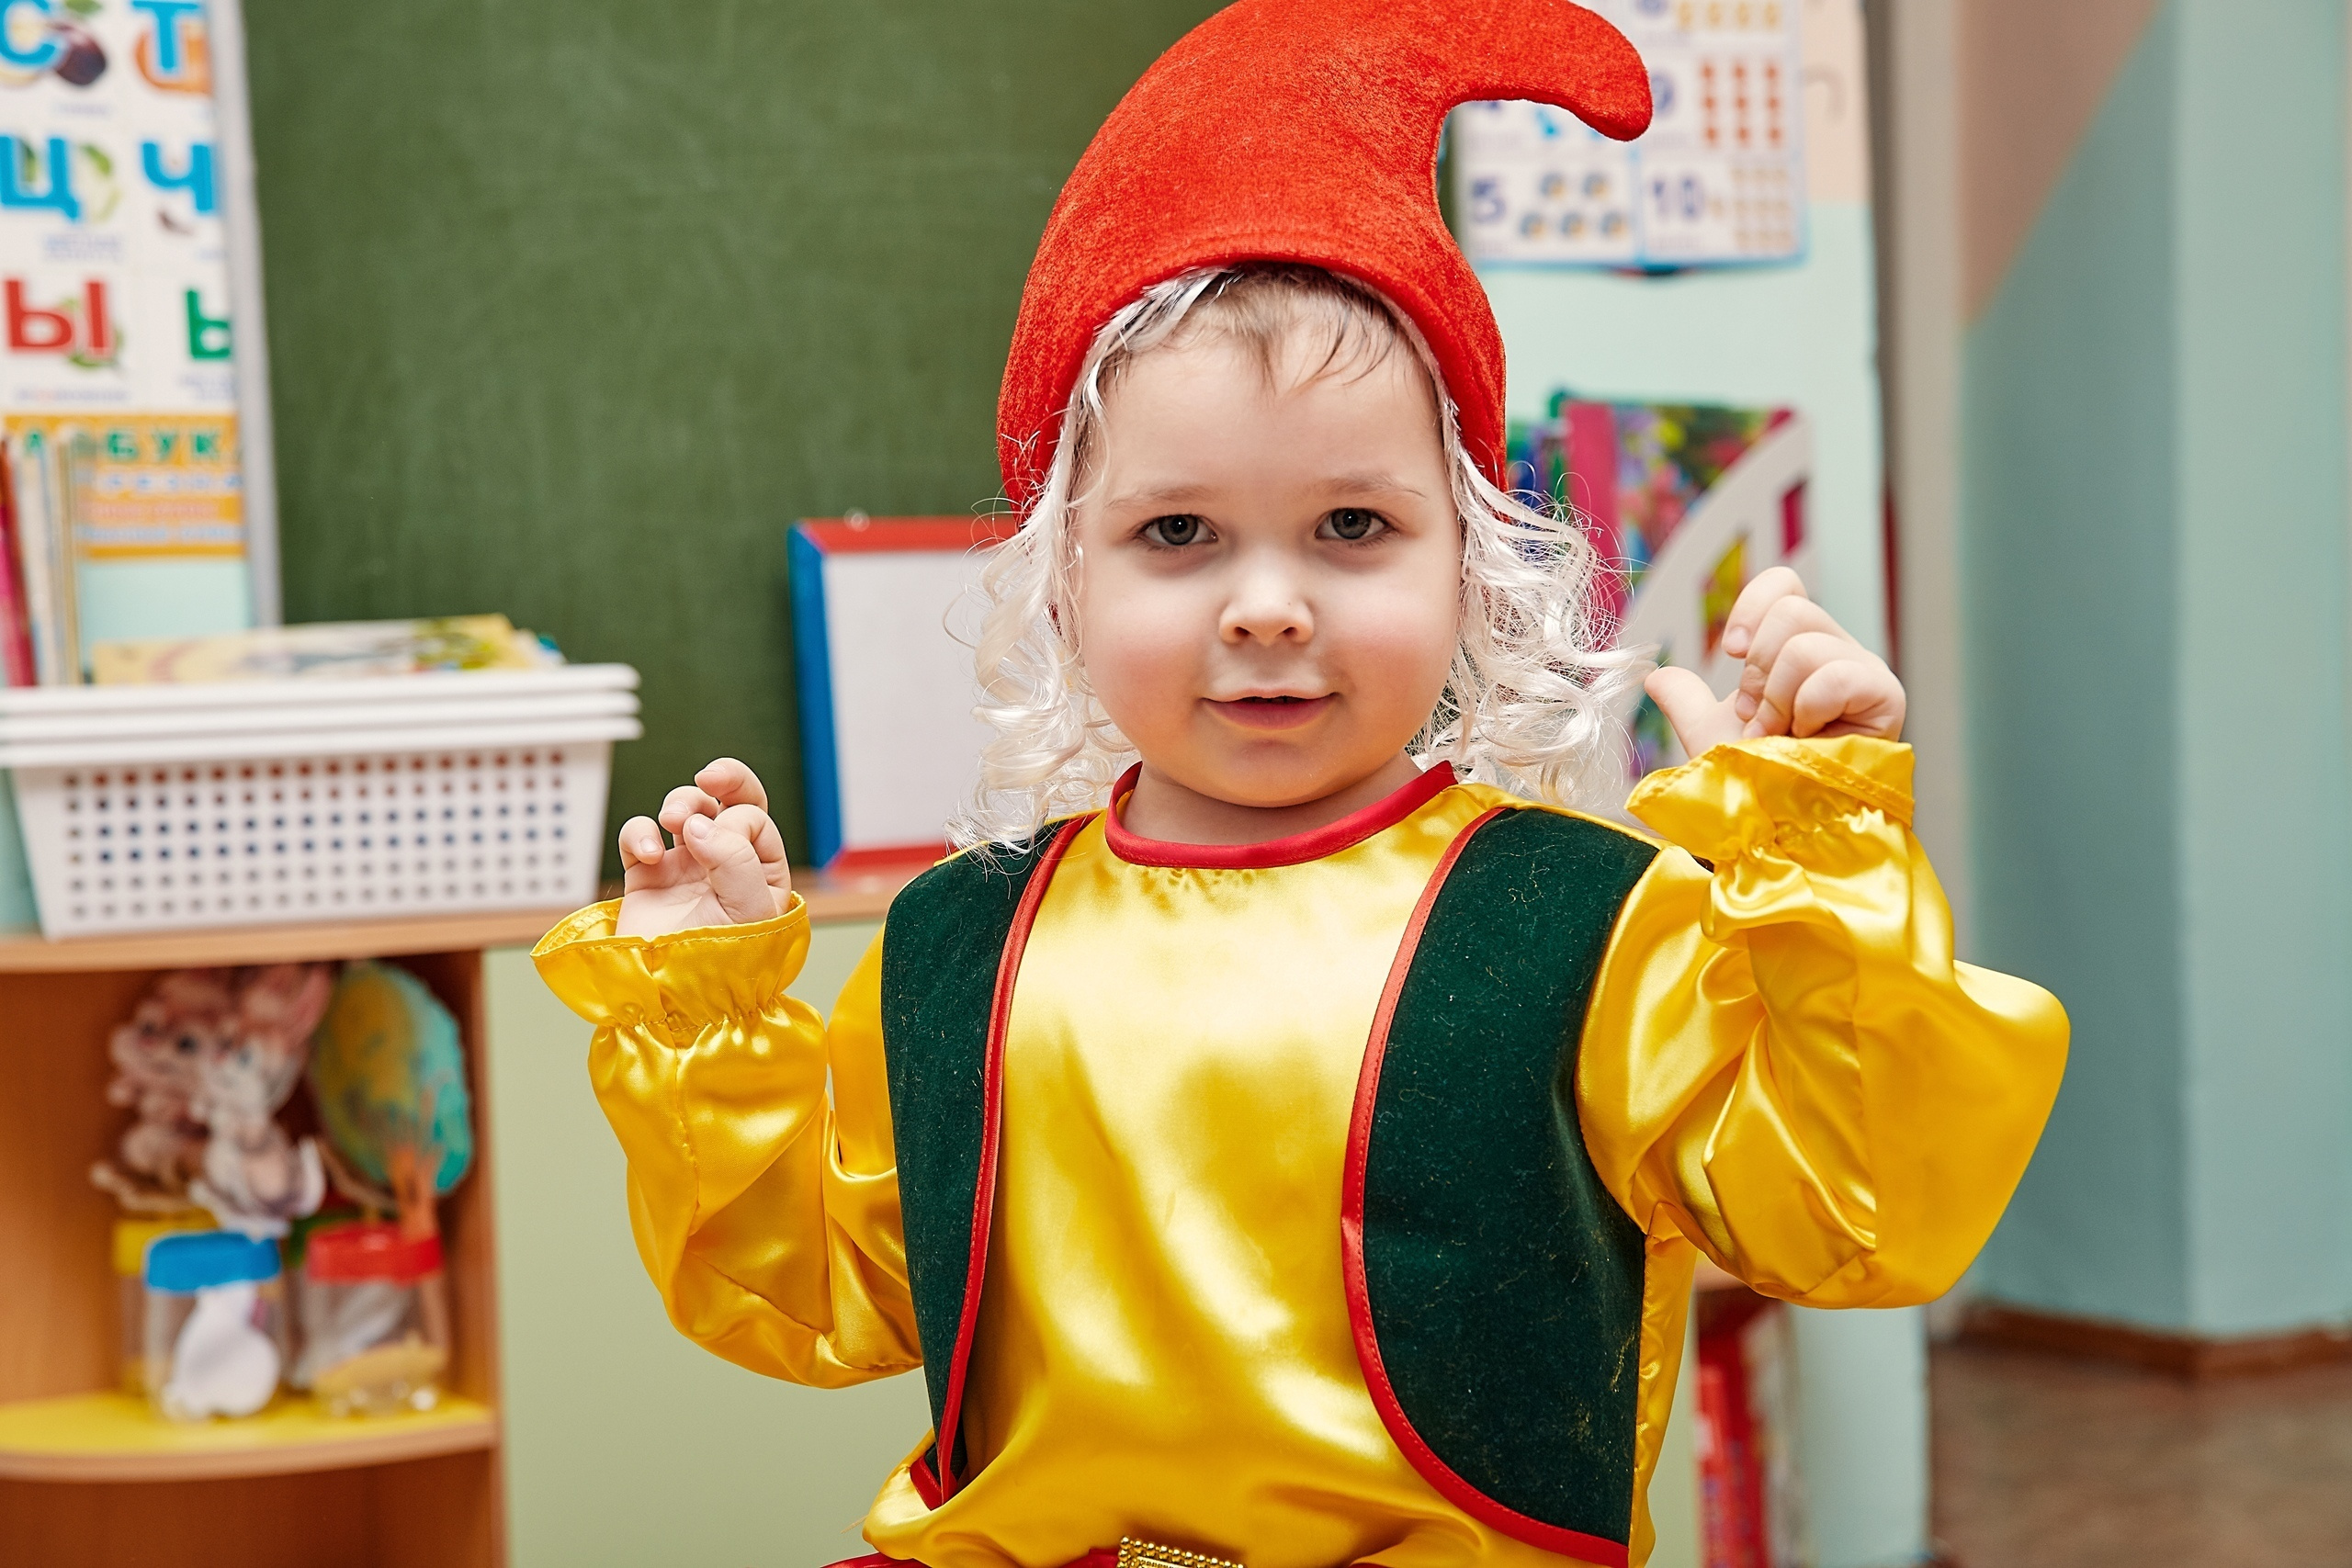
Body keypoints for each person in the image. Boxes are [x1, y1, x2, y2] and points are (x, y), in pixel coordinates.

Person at [533, 6, 2067, 1567]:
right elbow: (823, 1300)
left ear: (1475, 566)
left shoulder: (1584, 924)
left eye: (1350, 527)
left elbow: (1851, 1219)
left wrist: (1826, 854)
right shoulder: (957, 943)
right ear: (1061, 575)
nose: (1268, 606)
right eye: (1179, 535)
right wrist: (705, 1020)